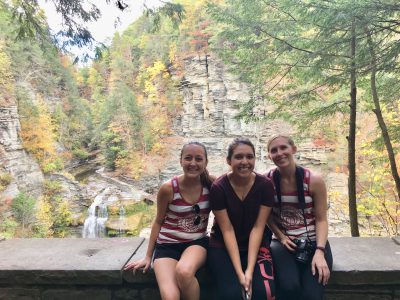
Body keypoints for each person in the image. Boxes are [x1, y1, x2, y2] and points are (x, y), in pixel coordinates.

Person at [124, 141, 214, 300]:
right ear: (181, 161)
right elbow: (158, 221)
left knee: (184, 272)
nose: (193, 163)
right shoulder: (168, 188)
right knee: (170, 296)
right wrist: (147, 256)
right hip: (166, 245)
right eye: (188, 158)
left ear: (206, 162)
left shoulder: (211, 184)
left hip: (196, 242)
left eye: (198, 159)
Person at [266, 134, 333, 300]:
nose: (279, 153)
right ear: (269, 156)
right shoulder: (267, 181)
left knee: (312, 294)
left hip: (314, 243)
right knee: (289, 287)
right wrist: (281, 237)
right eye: (274, 150)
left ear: (293, 149)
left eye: (283, 148)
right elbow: (266, 216)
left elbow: (321, 219)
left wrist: (320, 251)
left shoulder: (313, 181)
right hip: (284, 244)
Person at [207, 137, 276, 300]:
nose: (245, 162)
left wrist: (249, 271)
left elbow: (258, 227)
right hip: (222, 245)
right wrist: (240, 273)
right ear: (228, 160)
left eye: (249, 156)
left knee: (265, 293)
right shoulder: (219, 187)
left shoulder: (265, 185)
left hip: (257, 244)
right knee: (230, 294)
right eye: (238, 157)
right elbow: (227, 229)